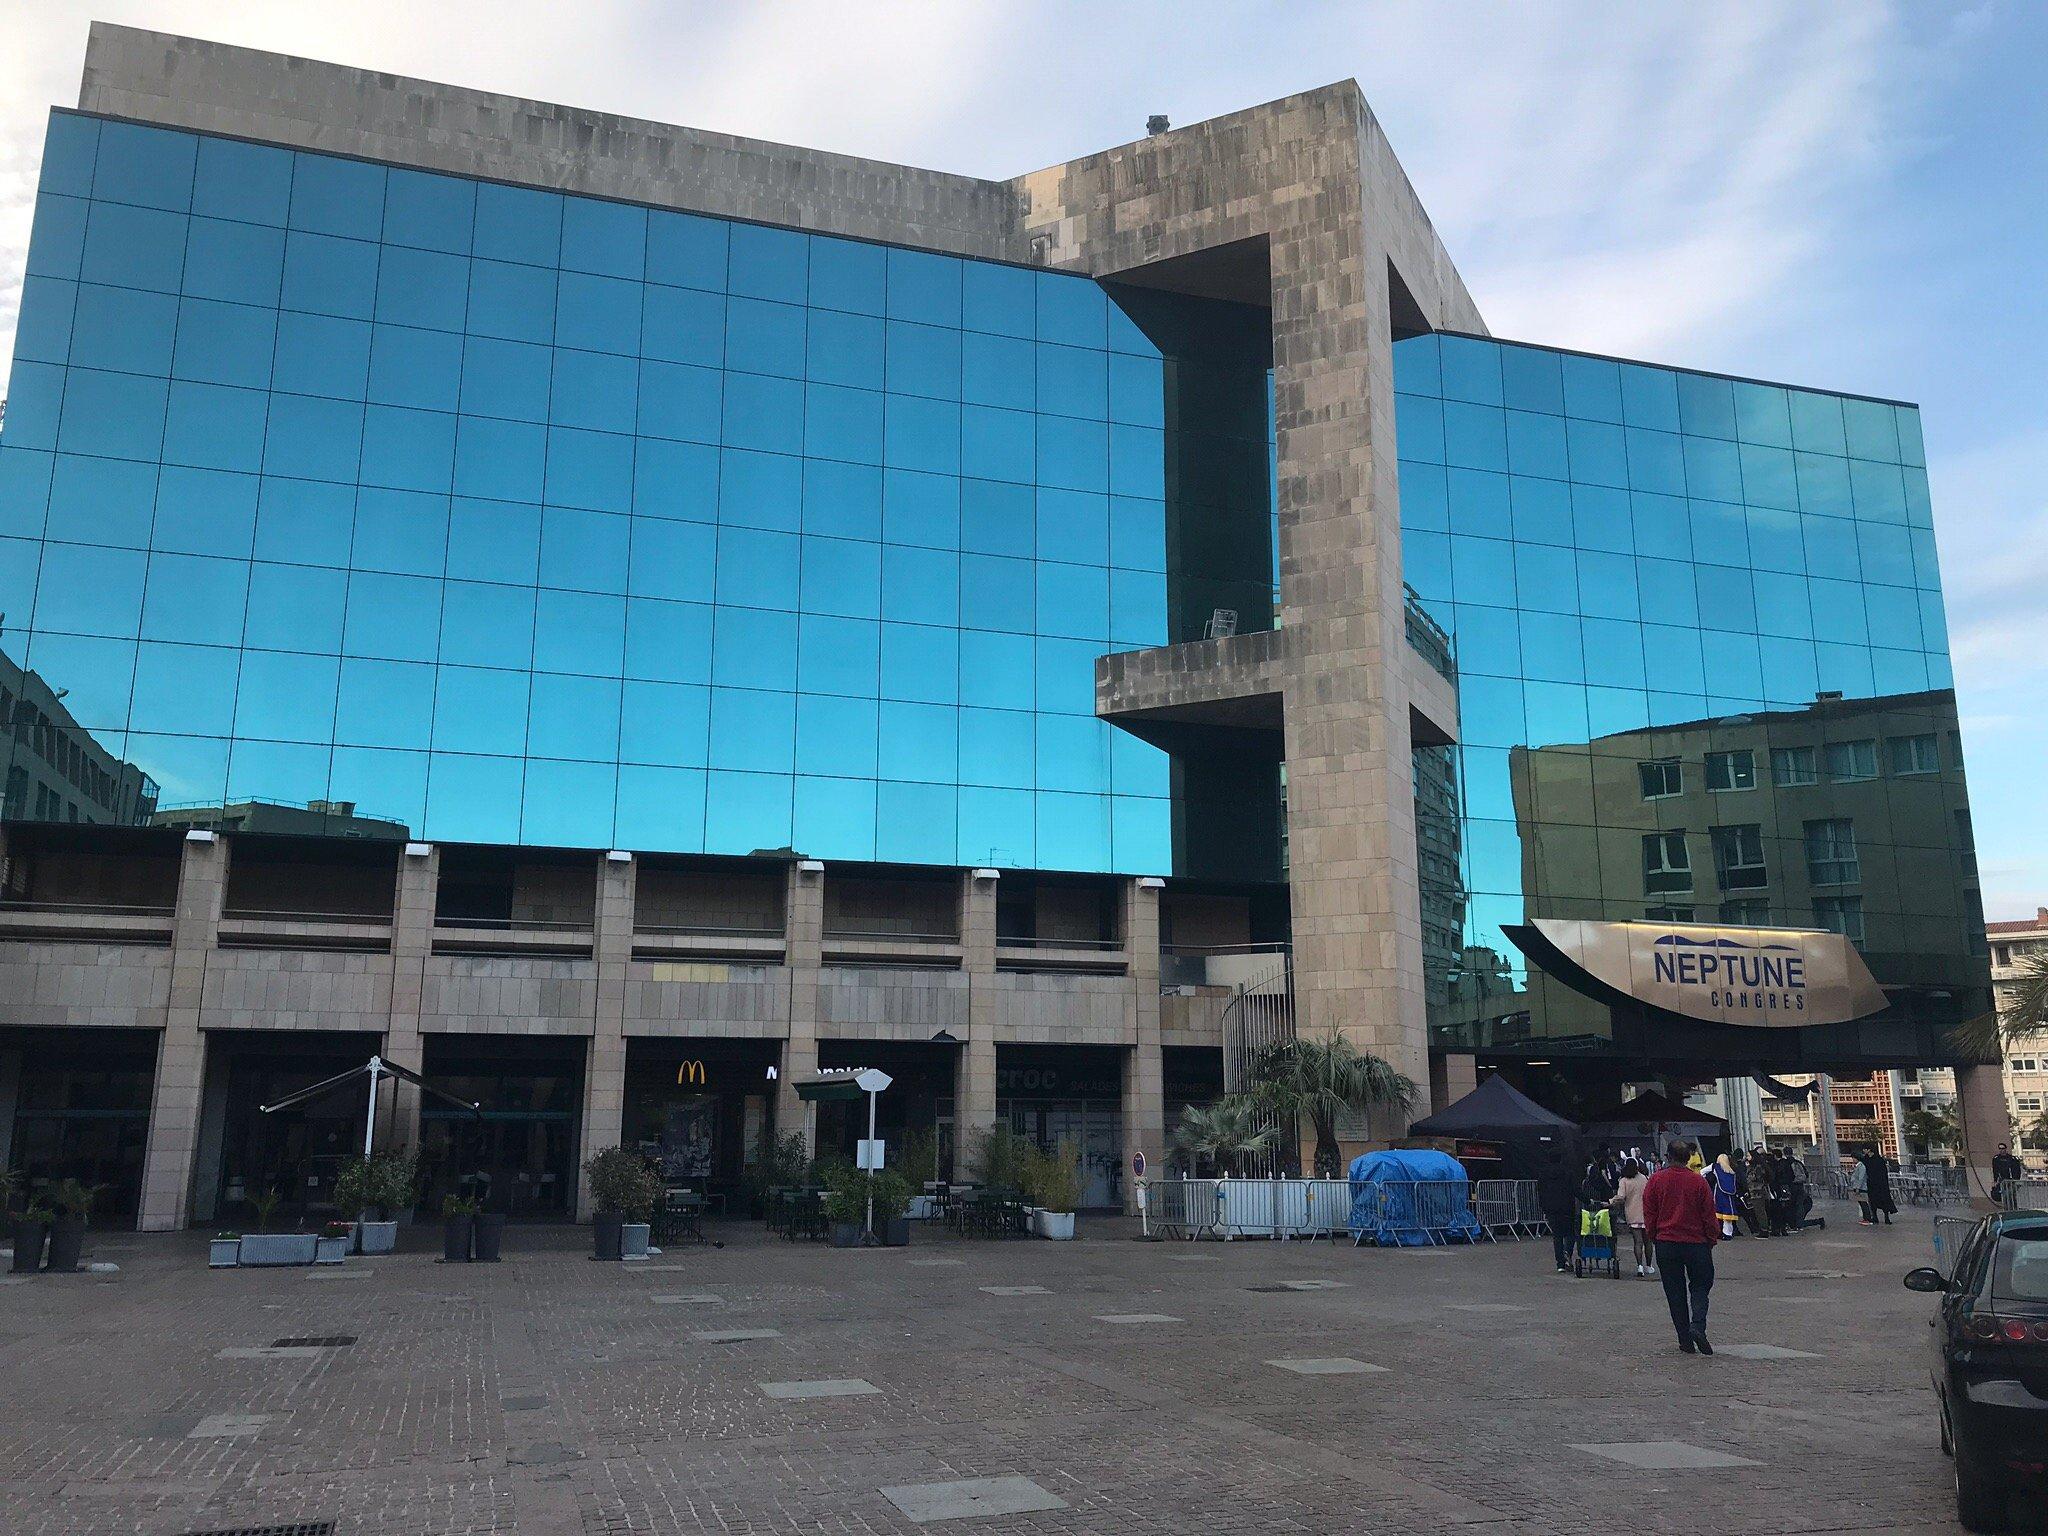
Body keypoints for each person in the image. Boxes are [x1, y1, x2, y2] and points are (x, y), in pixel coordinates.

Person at [1642, 1139, 1718, 1354]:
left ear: (1667, 1156)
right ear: (1688, 1158)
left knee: (1674, 1292)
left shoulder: (1656, 1180)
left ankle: (1684, 1340)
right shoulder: (1698, 1182)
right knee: (1701, 1285)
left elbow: (1649, 1212)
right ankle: (1698, 1325)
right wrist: (1711, 1238)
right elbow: (1708, 1214)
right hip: (1696, 1243)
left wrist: (1654, 1235)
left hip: (1667, 1242)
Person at [1537, 1149, 1579, 1273]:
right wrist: (1588, 1200)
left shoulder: (1543, 1174)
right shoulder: (1567, 1172)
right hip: (1567, 1207)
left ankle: (1560, 1264)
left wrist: (1543, 1207)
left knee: (1557, 1236)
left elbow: (1540, 1191)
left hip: (1551, 1208)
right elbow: (1575, 1189)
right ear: (1561, 1159)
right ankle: (1568, 1252)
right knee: (1570, 1233)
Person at [1614, 1157, 1653, 1276]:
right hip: (1646, 1214)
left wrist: (1610, 1202)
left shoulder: (1624, 1180)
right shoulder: (1645, 1178)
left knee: (1638, 1242)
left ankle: (1639, 1266)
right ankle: (1649, 1266)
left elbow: (1621, 1197)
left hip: (1632, 1213)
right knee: (1648, 1242)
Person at [1860, 1145, 1897, 1226]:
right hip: (1871, 1183)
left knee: (1883, 1200)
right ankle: (1875, 1217)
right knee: (1872, 1200)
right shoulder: (1866, 1159)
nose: (1863, 1151)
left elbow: (1883, 1171)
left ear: (1869, 1149)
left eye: (1864, 1149)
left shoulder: (1878, 1159)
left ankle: (1886, 1217)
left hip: (1880, 1183)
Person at [1710, 1152, 1741, 1239]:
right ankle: (1727, 1234)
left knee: (1717, 1213)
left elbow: (1702, 1172)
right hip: (1729, 1194)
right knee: (1728, 1215)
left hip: (1718, 1193)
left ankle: (1718, 1232)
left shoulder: (1715, 1166)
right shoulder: (1731, 1171)